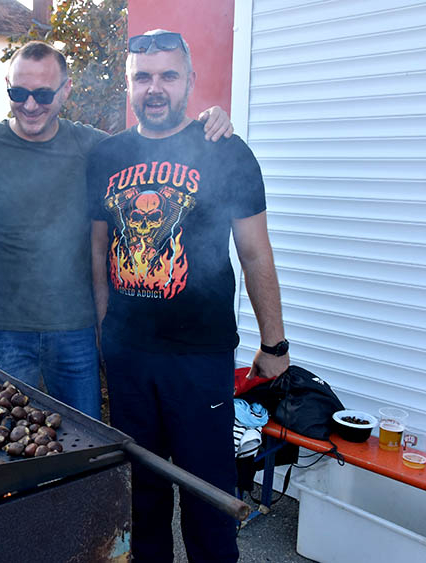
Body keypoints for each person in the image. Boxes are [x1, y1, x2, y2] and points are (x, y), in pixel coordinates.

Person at [88, 30, 289, 562]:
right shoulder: (107, 154)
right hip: (129, 355)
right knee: (143, 492)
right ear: (128, 85)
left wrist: (276, 343)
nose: (155, 88)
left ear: (190, 82)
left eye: (168, 76)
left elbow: (255, 252)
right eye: (143, 77)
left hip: (200, 356)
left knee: (208, 496)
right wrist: (104, 331)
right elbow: (98, 248)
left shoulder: (224, 150)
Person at [0, 41, 232, 418]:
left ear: (66, 89)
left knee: (84, 446)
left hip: (75, 329)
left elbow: (154, 142)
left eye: (43, 94)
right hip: (0, 329)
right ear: (7, 85)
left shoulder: (95, 148)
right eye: (18, 93)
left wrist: (210, 122)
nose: (30, 105)